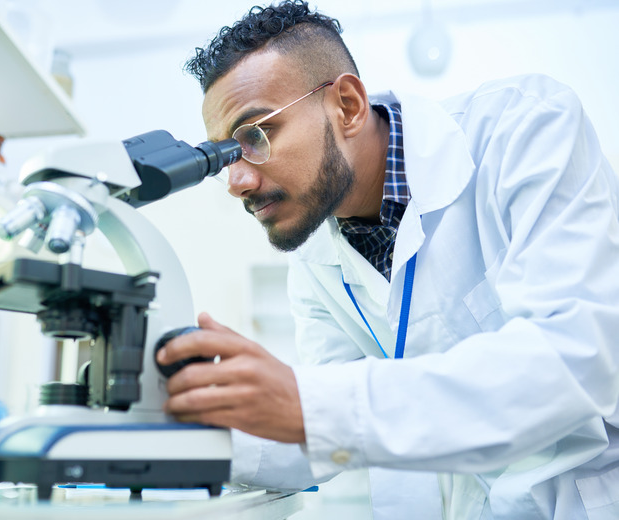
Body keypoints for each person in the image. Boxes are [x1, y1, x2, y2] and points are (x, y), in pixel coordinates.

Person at [154, 1, 619, 518]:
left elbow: (576, 358)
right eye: (224, 156)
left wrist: (307, 401)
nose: (237, 181)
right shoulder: (315, 257)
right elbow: (317, 437)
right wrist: (185, 435)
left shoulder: (525, 128)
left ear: (348, 106)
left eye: (254, 137)